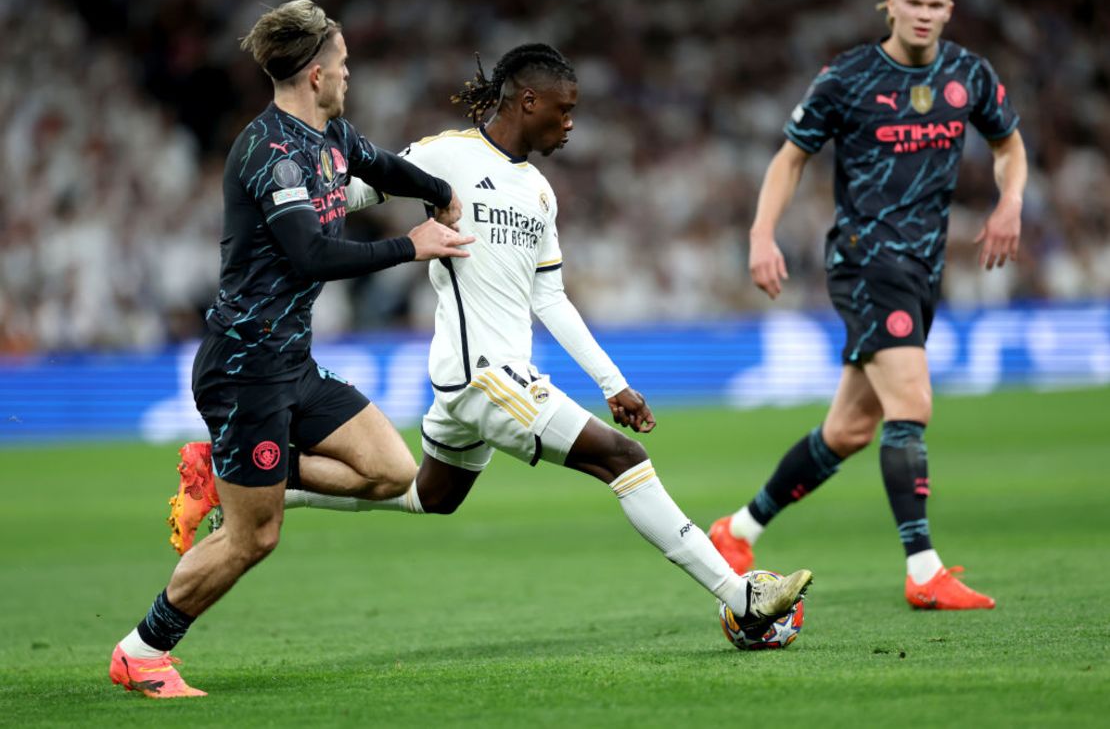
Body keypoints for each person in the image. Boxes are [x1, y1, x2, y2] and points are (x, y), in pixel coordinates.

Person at [171, 43, 813, 651]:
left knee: (432, 494)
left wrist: (611, 381)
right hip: (484, 375)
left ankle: (248, 482)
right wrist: (291, 228)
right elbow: (350, 189)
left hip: (482, 380)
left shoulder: (539, 193)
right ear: (527, 102)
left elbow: (550, 298)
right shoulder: (444, 155)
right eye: (564, 110)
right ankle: (741, 596)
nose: (570, 125)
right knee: (621, 457)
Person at [109, 0, 474, 699]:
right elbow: (308, 253)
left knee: (392, 470)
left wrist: (440, 193)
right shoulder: (270, 152)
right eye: (341, 65)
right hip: (244, 370)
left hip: (292, 364)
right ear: (313, 74)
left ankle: (230, 476)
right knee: (256, 537)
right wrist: (412, 244)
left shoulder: (330, 135)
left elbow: (385, 167)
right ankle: (142, 650)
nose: (348, 75)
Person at [708, 0, 1026, 610]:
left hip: (923, 267)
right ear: (889, 5)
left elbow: (1009, 147)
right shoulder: (848, 77)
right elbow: (790, 158)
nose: (926, 12)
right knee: (911, 402)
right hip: (865, 260)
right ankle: (924, 570)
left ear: (951, 9)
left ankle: (737, 531)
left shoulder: (969, 74)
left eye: (938, 2)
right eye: (914, 0)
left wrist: (1010, 202)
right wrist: (760, 234)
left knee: (850, 429)